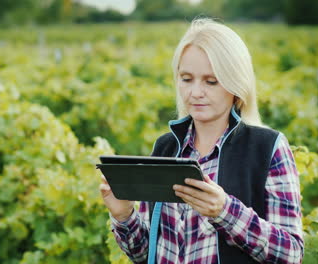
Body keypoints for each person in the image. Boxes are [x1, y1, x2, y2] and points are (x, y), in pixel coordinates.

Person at [100, 18, 304, 264]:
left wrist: (225, 211)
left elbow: (292, 254)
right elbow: (144, 254)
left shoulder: (267, 148)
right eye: (186, 79)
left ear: (235, 84)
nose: (195, 92)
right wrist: (123, 216)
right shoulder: (165, 149)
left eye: (211, 81)